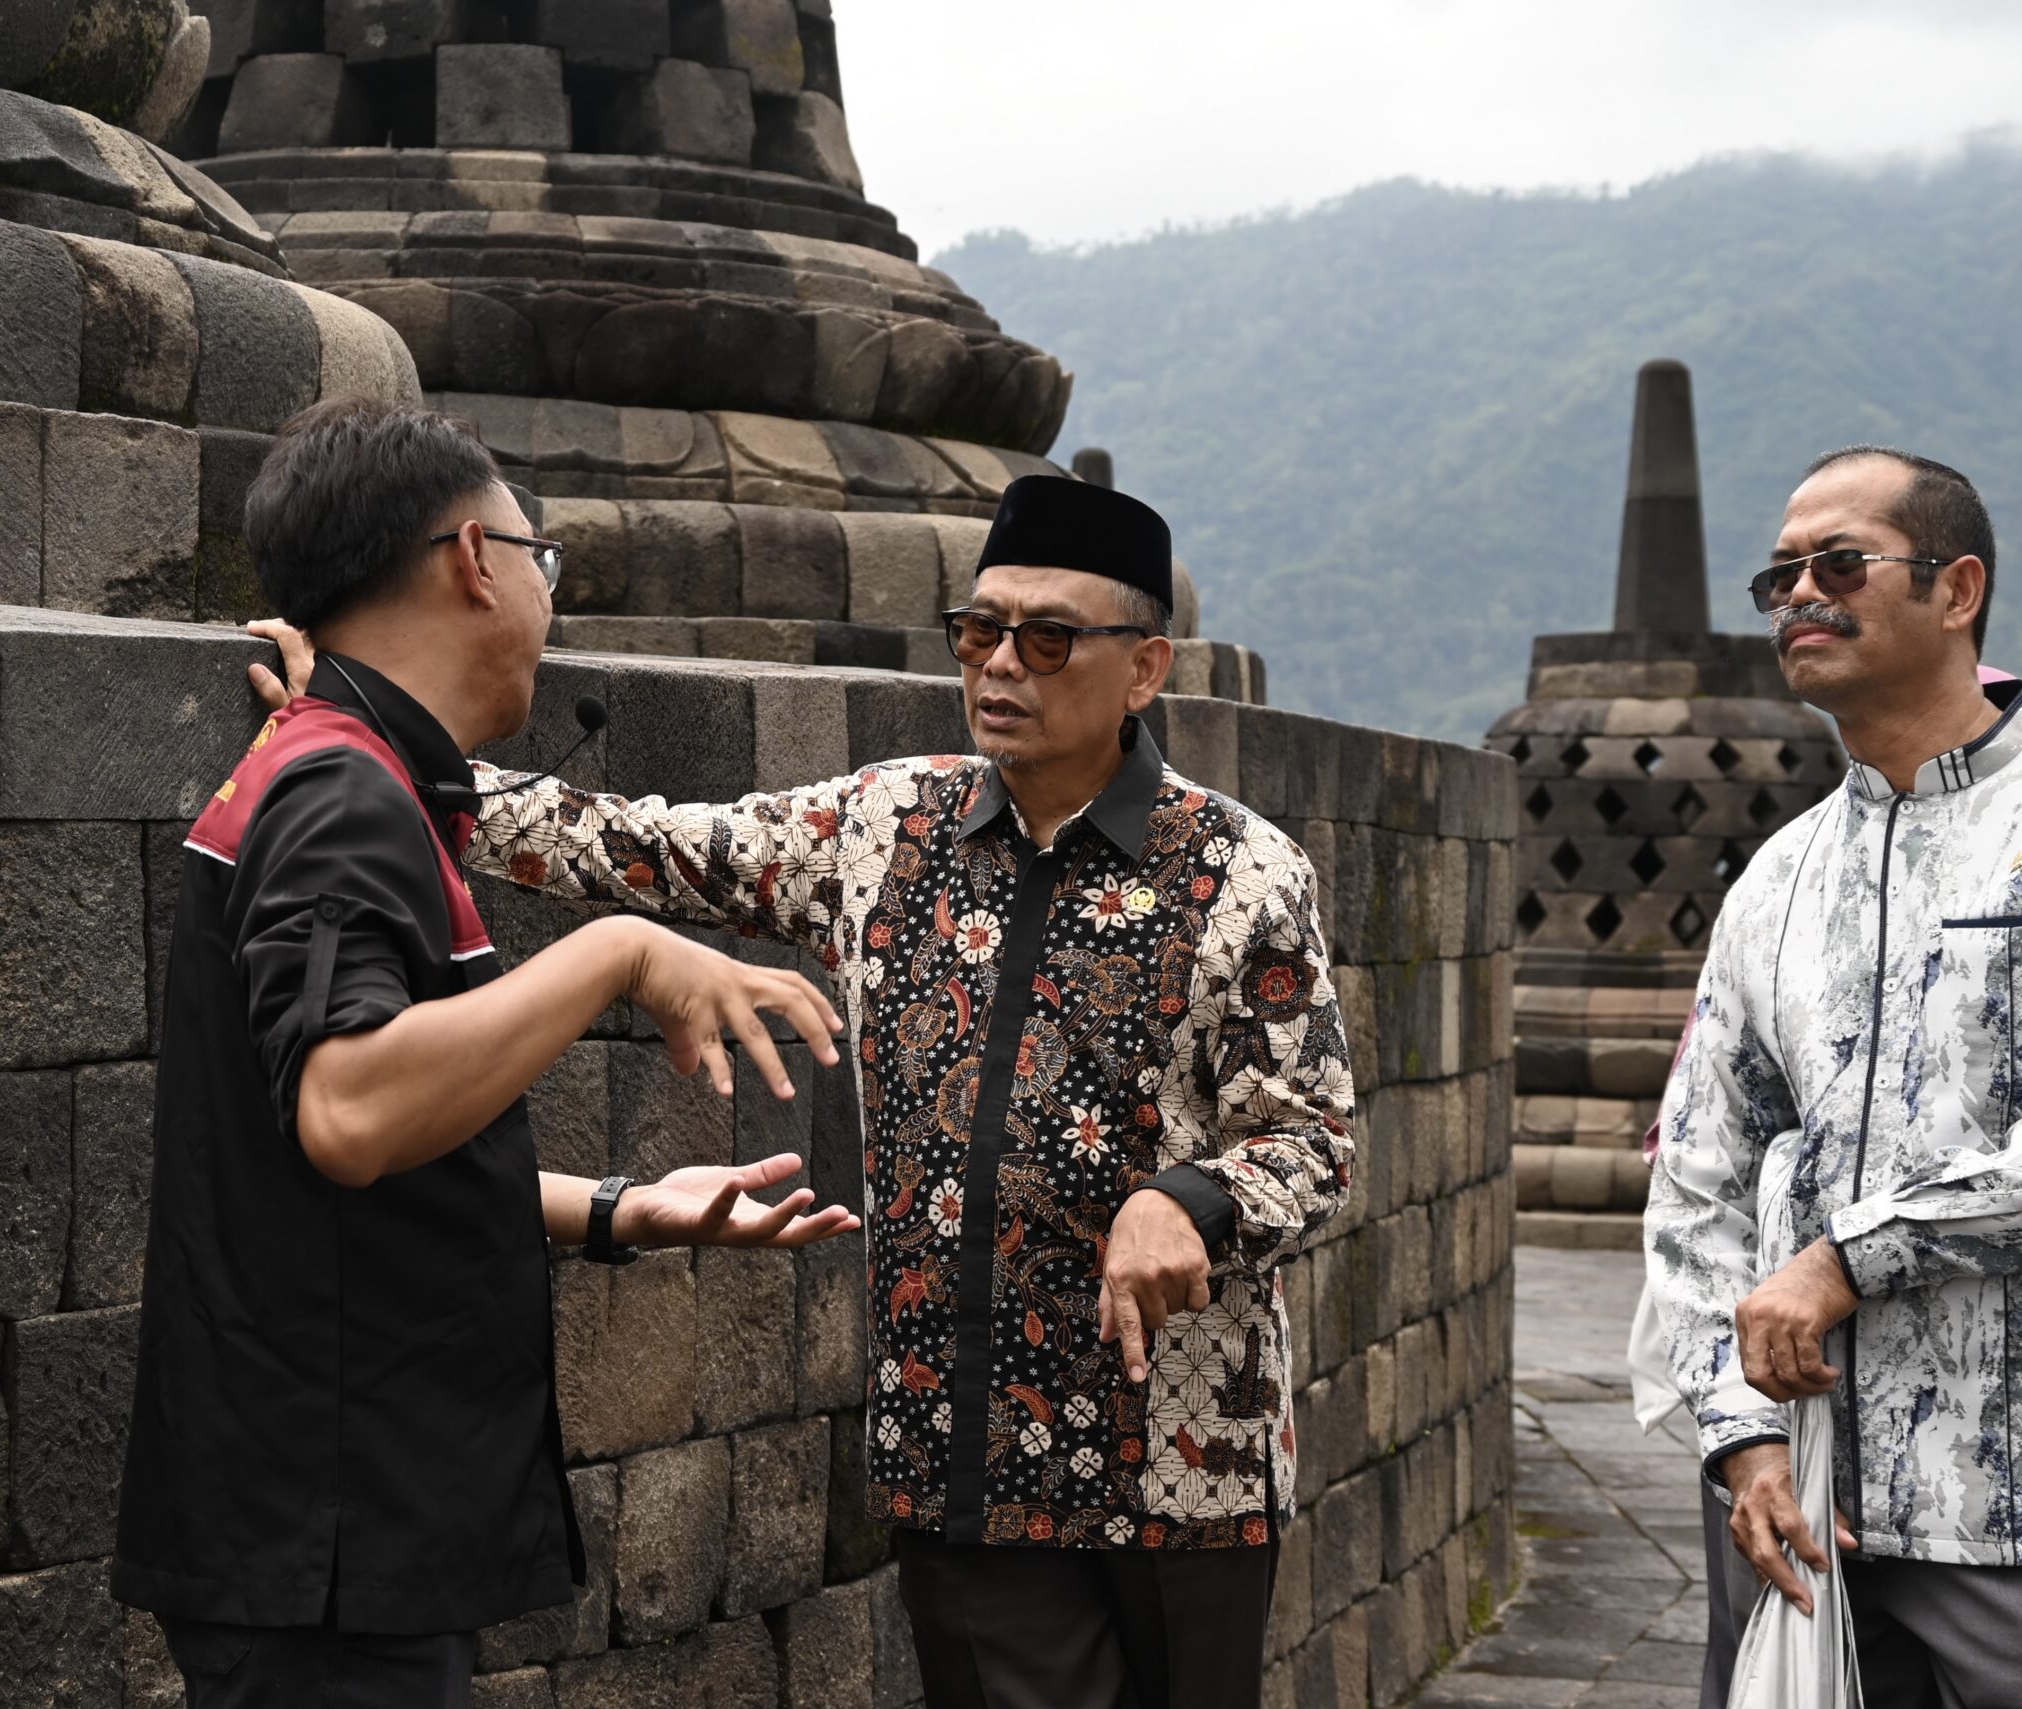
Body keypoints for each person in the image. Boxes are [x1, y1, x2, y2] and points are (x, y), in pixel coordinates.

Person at [257, 472, 1356, 1709]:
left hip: (1182, 1462)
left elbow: (1312, 1137)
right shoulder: (884, 825)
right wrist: (363, 723)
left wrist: (1189, 1200)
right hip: (962, 1447)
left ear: (1144, 667)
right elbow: (630, 843)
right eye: (979, 630)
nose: (1001, 665)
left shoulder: (1244, 875)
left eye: (1048, 639)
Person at [111, 402, 861, 1707]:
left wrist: (631, 1211)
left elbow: (361, 1157)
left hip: (317, 1516)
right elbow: (349, 1109)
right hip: (329, 1525)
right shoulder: (342, 796)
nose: (542, 591)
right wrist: (615, 955)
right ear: (474, 560)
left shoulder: (342, 774)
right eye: (540, 557)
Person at [1646, 446, 2022, 1705]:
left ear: (1957, 590)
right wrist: (1737, 1436)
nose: (1799, 593)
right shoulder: (1777, 877)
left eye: (1838, 563)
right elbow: (1695, 1173)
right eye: (1777, 573)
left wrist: (1847, 1254)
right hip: (1797, 1500)